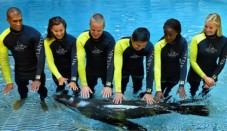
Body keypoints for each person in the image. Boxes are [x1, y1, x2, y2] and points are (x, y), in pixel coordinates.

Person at [0, 7, 48, 111]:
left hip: (35, 69)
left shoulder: (34, 34)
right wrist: (8, 81)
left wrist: (38, 78)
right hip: (20, 71)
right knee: (22, 90)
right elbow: (4, 61)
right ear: (8, 20)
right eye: (15, 21)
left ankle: (43, 100)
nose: (18, 24)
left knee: (42, 89)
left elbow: (41, 57)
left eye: (20, 20)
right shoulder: (3, 38)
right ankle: (23, 99)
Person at [187, 13, 227, 97]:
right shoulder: (196, 39)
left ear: (218, 27)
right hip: (195, 73)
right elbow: (192, 61)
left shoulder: (224, 41)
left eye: (211, 28)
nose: (207, 29)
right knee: (192, 95)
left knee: (204, 96)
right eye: (206, 26)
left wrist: (213, 78)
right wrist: (205, 77)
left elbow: (222, 62)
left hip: (211, 73)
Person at [76, 13, 115, 99]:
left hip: (106, 71)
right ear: (89, 25)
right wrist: (84, 84)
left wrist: (108, 84)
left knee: (109, 97)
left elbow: (111, 62)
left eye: (99, 30)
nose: (96, 33)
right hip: (90, 71)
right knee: (88, 96)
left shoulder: (109, 40)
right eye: (93, 30)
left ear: (103, 27)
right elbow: (81, 62)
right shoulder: (82, 38)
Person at [113, 27, 155, 104]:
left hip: (138, 70)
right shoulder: (121, 43)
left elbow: (150, 69)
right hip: (123, 70)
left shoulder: (149, 47)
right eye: (138, 45)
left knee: (137, 91)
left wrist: (149, 91)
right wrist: (118, 91)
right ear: (132, 39)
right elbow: (117, 68)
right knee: (121, 91)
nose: (140, 48)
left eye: (143, 46)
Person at [154, 18, 188, 102]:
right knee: (159, 94)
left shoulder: (183, 43)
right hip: (162, 75)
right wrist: (158, 89)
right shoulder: (159, 44)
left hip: (175, 76)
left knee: (167, 93)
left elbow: (183, 64)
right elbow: (157, 67)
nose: (168, 37)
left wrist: (181, 85)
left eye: (170, 35)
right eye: (165, 34)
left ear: (177, 33)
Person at [44, 16, 80, 96]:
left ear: (65, 28)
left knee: (76, 90)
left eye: (61, 30)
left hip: (71, 71)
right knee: (60, 90)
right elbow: (50, 61)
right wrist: (59, 77)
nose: (59, 33)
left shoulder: (73, 40)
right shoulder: (47, 42)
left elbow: (75, 60)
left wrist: (73, 79)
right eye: (56, 31)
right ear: (51, 30)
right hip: (57, 72)